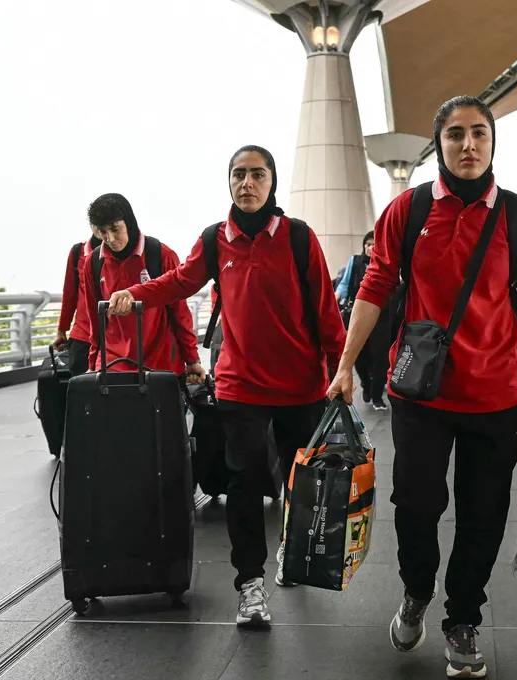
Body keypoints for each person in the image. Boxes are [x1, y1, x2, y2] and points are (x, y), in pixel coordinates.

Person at [327, 95, 517, 679]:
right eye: (455, 135)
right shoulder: (409, 210)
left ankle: (463, 618)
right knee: (416, 503)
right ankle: (417, 590)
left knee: (483, 514)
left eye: (479, 134)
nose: (468, 145)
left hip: (494, 393)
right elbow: (375, 285)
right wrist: (344, 366)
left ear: (493, 143)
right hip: (420, 391)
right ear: (438, 145)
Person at [106, 145, 346, 629]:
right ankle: (250, 584)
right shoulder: (216, 240)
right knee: (244, 481)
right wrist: (134, 293)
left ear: (272, 182)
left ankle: (291, 550)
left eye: (257, 174)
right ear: (229, 182)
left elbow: (325, 309)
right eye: (239, 174)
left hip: (301, 383)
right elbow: (179, 282)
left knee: (302, 482)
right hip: (240, 384)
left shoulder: (299, 237)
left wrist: (343, 370)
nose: (247, 183)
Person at [78, 193, 204, 387]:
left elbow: (180, 314)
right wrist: (93, 363)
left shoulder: (161, 255)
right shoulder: (93, 263)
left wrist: (192, 359)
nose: (110, 238)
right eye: (103, 232)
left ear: (129, 222)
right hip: (113, 364)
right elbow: (95, 319)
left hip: (160, 363)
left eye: (115, 229)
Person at [333, 231, 389, 410]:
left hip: (381, 317)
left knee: (380, 357)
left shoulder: (386, 263)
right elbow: (344, 282)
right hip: (357, 315)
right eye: (367, 244)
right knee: (359, 355)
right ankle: (366, 383)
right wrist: (337, 295)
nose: (369, 248)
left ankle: (377, 396)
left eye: (373, 244)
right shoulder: (356, 262)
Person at [53, 225, 103, 375]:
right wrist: (62, 330)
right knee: (80, 385)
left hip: (117, 339)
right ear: (91, 224)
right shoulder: (78, 252)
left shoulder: (125, 253)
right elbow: (69, 294)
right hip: (83, 335)